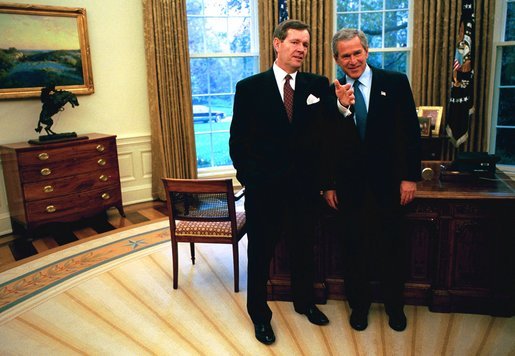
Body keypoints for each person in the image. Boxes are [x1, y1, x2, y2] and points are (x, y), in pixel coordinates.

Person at [229, 19, 330, 345]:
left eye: (305, 44)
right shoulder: (249, 87)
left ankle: (304, 302)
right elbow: (237, 141)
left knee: (304, 250)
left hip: (303, 190)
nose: (301, 49)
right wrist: (252, 180)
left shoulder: (318, 84)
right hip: (264, 191)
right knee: (259, 254)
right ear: (277, 44)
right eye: (295, 42)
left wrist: (342, 106)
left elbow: (327, 131)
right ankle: (260, 314)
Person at [321, 28, 421, 332]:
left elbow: (410, 133)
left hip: (389, 185)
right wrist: (329, 184)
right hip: (350, 188)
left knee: (392, 248)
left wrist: (409, 178)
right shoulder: (332, 92)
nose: (352, 60)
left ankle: (395, 307)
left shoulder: (395, 82)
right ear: (336, 59)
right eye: (345, 55)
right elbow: (325, 143)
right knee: (354, 250)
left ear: (367, 52)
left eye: (357, 53)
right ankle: (359, 307)